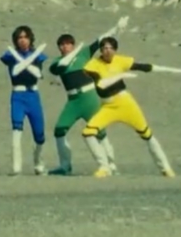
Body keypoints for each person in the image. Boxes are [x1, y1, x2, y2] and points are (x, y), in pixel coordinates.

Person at [81, 35, 181, 178]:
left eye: (110, 48)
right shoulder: (94, 64)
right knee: (88, 133)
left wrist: (170, 70)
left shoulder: (120, 60)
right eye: (104, 48)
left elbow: (144, 67)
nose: (107, 51)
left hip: (125, 103)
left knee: (147, 134)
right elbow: (101, 84)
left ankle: (165, 168)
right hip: (108, 106)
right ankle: (104, 167)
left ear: (115, 50)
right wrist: (120, 76)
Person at [46, 16, 129, 175]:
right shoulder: (56, 62)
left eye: (68, 44)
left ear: (73, 45)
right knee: (59, 130)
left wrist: (117, 27)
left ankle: (110, 164)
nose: (65, 47)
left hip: (89, 98)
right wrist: (72, 54)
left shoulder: (83, 54)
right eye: (62, 44)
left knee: (100, 132)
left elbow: (100, 40)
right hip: (73, 101)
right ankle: (65, 166)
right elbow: (60, 68)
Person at [0, 25, 49, 175]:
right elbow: (15, 73)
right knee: (16, 130)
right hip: (18, 96)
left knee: (39, 134)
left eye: (25, 37)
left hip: (33, 95)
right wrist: (23, 60)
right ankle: (16, 166)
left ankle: (38, 163)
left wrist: (29, 59)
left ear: (30, 39)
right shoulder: (10, 55)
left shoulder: (38, 55)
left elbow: (38, 74)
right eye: (20, 37)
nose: (23, 40)